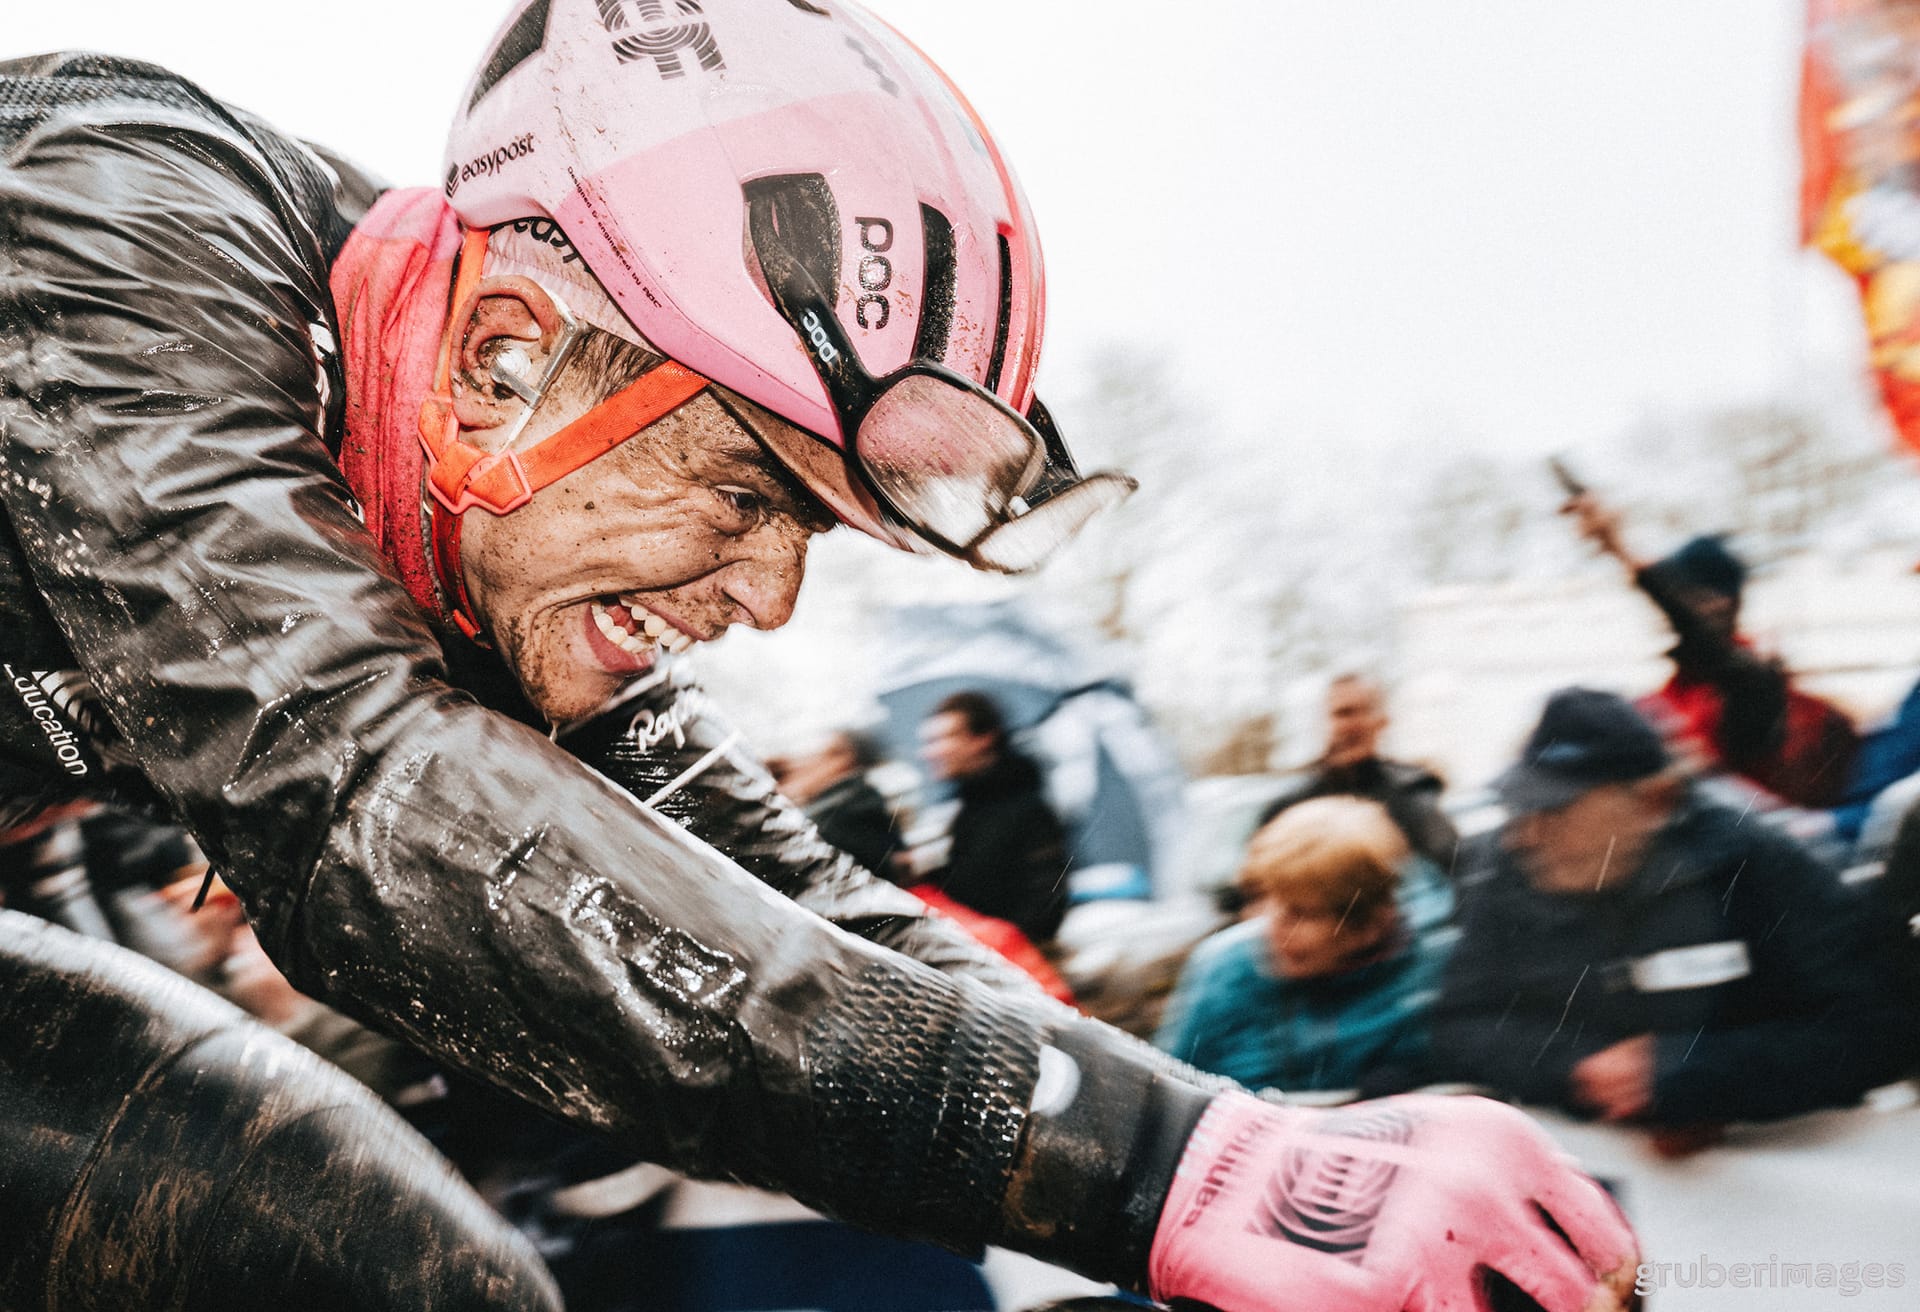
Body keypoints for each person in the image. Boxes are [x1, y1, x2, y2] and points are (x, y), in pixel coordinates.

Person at [0, 8, 1638, 1309]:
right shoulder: (120, 206)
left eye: (821, 532)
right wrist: (1157, 1163)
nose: (774, 597)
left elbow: (788, 891)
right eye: (744, 492)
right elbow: (352, 788)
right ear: (506, 360)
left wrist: (1240, 1153)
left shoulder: (486, 515)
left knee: (417, 1283)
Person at [1432, 687, 1909, 1140]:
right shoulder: (1511, 869)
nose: (1523, 836)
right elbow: (1461, 1024)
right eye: (1518, 808)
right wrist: (1576, 1068)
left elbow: (1880, 1026)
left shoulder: (1757, 865)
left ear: (1654, 802)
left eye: (1554, 811)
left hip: (1767, 1188)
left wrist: (1693, 1074)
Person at [1561, 491, 1858, 809]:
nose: (1667, 609)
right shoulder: (1679, 689)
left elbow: (1701, 634)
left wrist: (1619, 549)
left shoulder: (1752, 684)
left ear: (1721, 602)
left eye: (1682, 591)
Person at [1156, 797, 1448, 1097]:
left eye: (1303, 913)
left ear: (1368, 926)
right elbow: (1169, 1092)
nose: (1274, 927)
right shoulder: (1223, 969)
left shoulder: (1428, 979)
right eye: (1268, 899)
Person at [1257, 673, 1459, 872]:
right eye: (1340, 713)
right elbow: (1251, 884)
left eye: (1360, 712)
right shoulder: (1290, 806)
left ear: (1381, 722)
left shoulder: (1411, 797)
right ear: (1323, 724)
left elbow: (1455, 864)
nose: (1347, 726)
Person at [916, 690, 1071, 944]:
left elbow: (1045, 906)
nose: (929, 753)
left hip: (1007, 961)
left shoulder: (1026, 809)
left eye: (943, 739)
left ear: (983, 739)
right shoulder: (969, 807)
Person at [772, 728, 902, 881]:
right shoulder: (859, 806)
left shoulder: (835, 818)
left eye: (821, 754)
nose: (805, 763)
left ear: (844, 761)